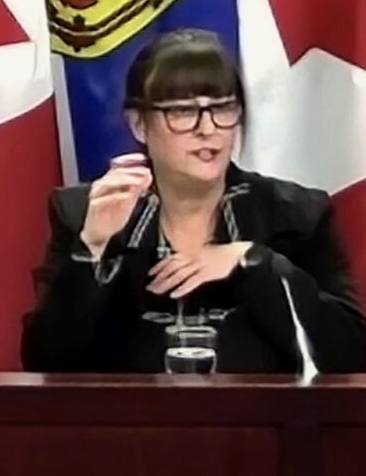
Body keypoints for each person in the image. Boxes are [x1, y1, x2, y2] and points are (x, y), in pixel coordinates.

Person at [22, 28, 366, 373]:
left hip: (258, 423)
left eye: (223, 107)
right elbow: (46, 361)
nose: (208, 128)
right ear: (139, 124)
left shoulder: (294, 216)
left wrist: (257, 264)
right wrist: (92, 247)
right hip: (127, 424)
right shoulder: (83, 213)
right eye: (183, 112)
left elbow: (350, 356)